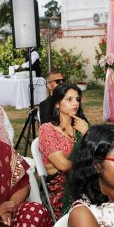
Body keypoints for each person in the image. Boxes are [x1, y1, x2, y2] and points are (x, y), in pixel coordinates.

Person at [38, 83, 89, 219]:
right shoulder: (47, 129)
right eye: (69, 99)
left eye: (77, 99)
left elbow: (96, 154)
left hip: (83, 179)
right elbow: (64, 165)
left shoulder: (80, 127)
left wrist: (86, 133)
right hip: (62, 188)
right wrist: (90, 164)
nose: (75, 103)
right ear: (57, 104)